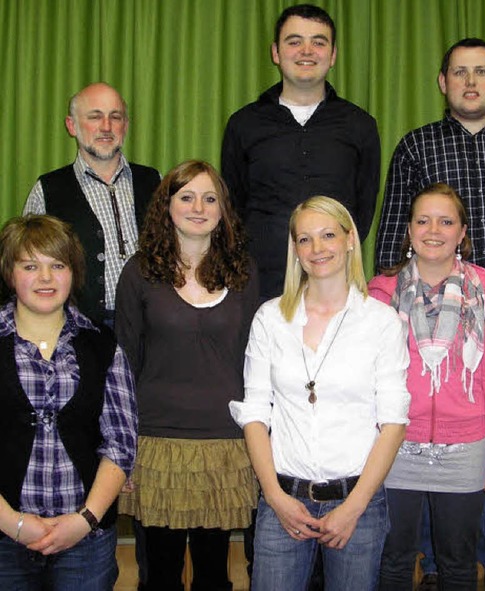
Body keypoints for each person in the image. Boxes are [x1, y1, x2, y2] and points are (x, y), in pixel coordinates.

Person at [375, 38, 485, 590]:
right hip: (422, 316)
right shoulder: (416, 146)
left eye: (481, 72)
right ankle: (434, 566)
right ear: (443, 82)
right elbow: (390, 234)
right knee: (422, 445)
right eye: (459, 73)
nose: (470, 81)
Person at [229, 196, 410, 590]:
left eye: (328, 235)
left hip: (358, 503)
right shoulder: (270, 318)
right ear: (294, 249)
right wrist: (275, 498)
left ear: (349, 240)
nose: (317, 248)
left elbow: (393, 423)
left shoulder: (381, 322)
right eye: (305, 239)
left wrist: (354, 508)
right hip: (284, 501)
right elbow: (256, 414)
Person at [115, 160, 259, 591]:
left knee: (215, 576)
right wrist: (123, 450)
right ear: (167, 206)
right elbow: (122, 366)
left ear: (223, 210)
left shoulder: (244, 272)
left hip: (226, 445)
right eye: (187, 196)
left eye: (210, 198)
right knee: (159, 575)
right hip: (158, 445)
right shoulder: (139, 272)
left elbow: (256, 361)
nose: (199, 207)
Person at [370, 184, 485, 590]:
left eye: (446, 221)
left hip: (466, 450)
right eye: (423, 220)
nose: (433, 229)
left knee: (457, 564)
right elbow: (369, 381)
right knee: (393, 561)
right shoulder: (380, 293)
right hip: (394, 446)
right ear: (409, 229)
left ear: (462, 231)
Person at [0, 214, 137, 590]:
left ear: (73, 273)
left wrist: (85, 520)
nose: (45, 278)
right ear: (10, 274)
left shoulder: (103, 346)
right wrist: (15, 524)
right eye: (31, 266)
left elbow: (121, 445)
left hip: (86, 543)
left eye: (57, 266)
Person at [222, 4, 381, 300]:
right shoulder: (243, 125)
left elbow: (363, 209)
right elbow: (233, 207)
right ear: (275, 52)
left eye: (318, 42)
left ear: (332, 55)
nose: (306, 51)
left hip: (336, 286)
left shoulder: (360, 126)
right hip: (261, 288)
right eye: (294, 41)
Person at [24, 82, 161, 327]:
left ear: (126, 126)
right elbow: (27, 269)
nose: (106, 127)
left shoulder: (154, 181)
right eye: (95, 117)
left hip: (152, 327)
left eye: (115, 117)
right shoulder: (47, 189)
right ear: (71, 125)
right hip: (79, 332)